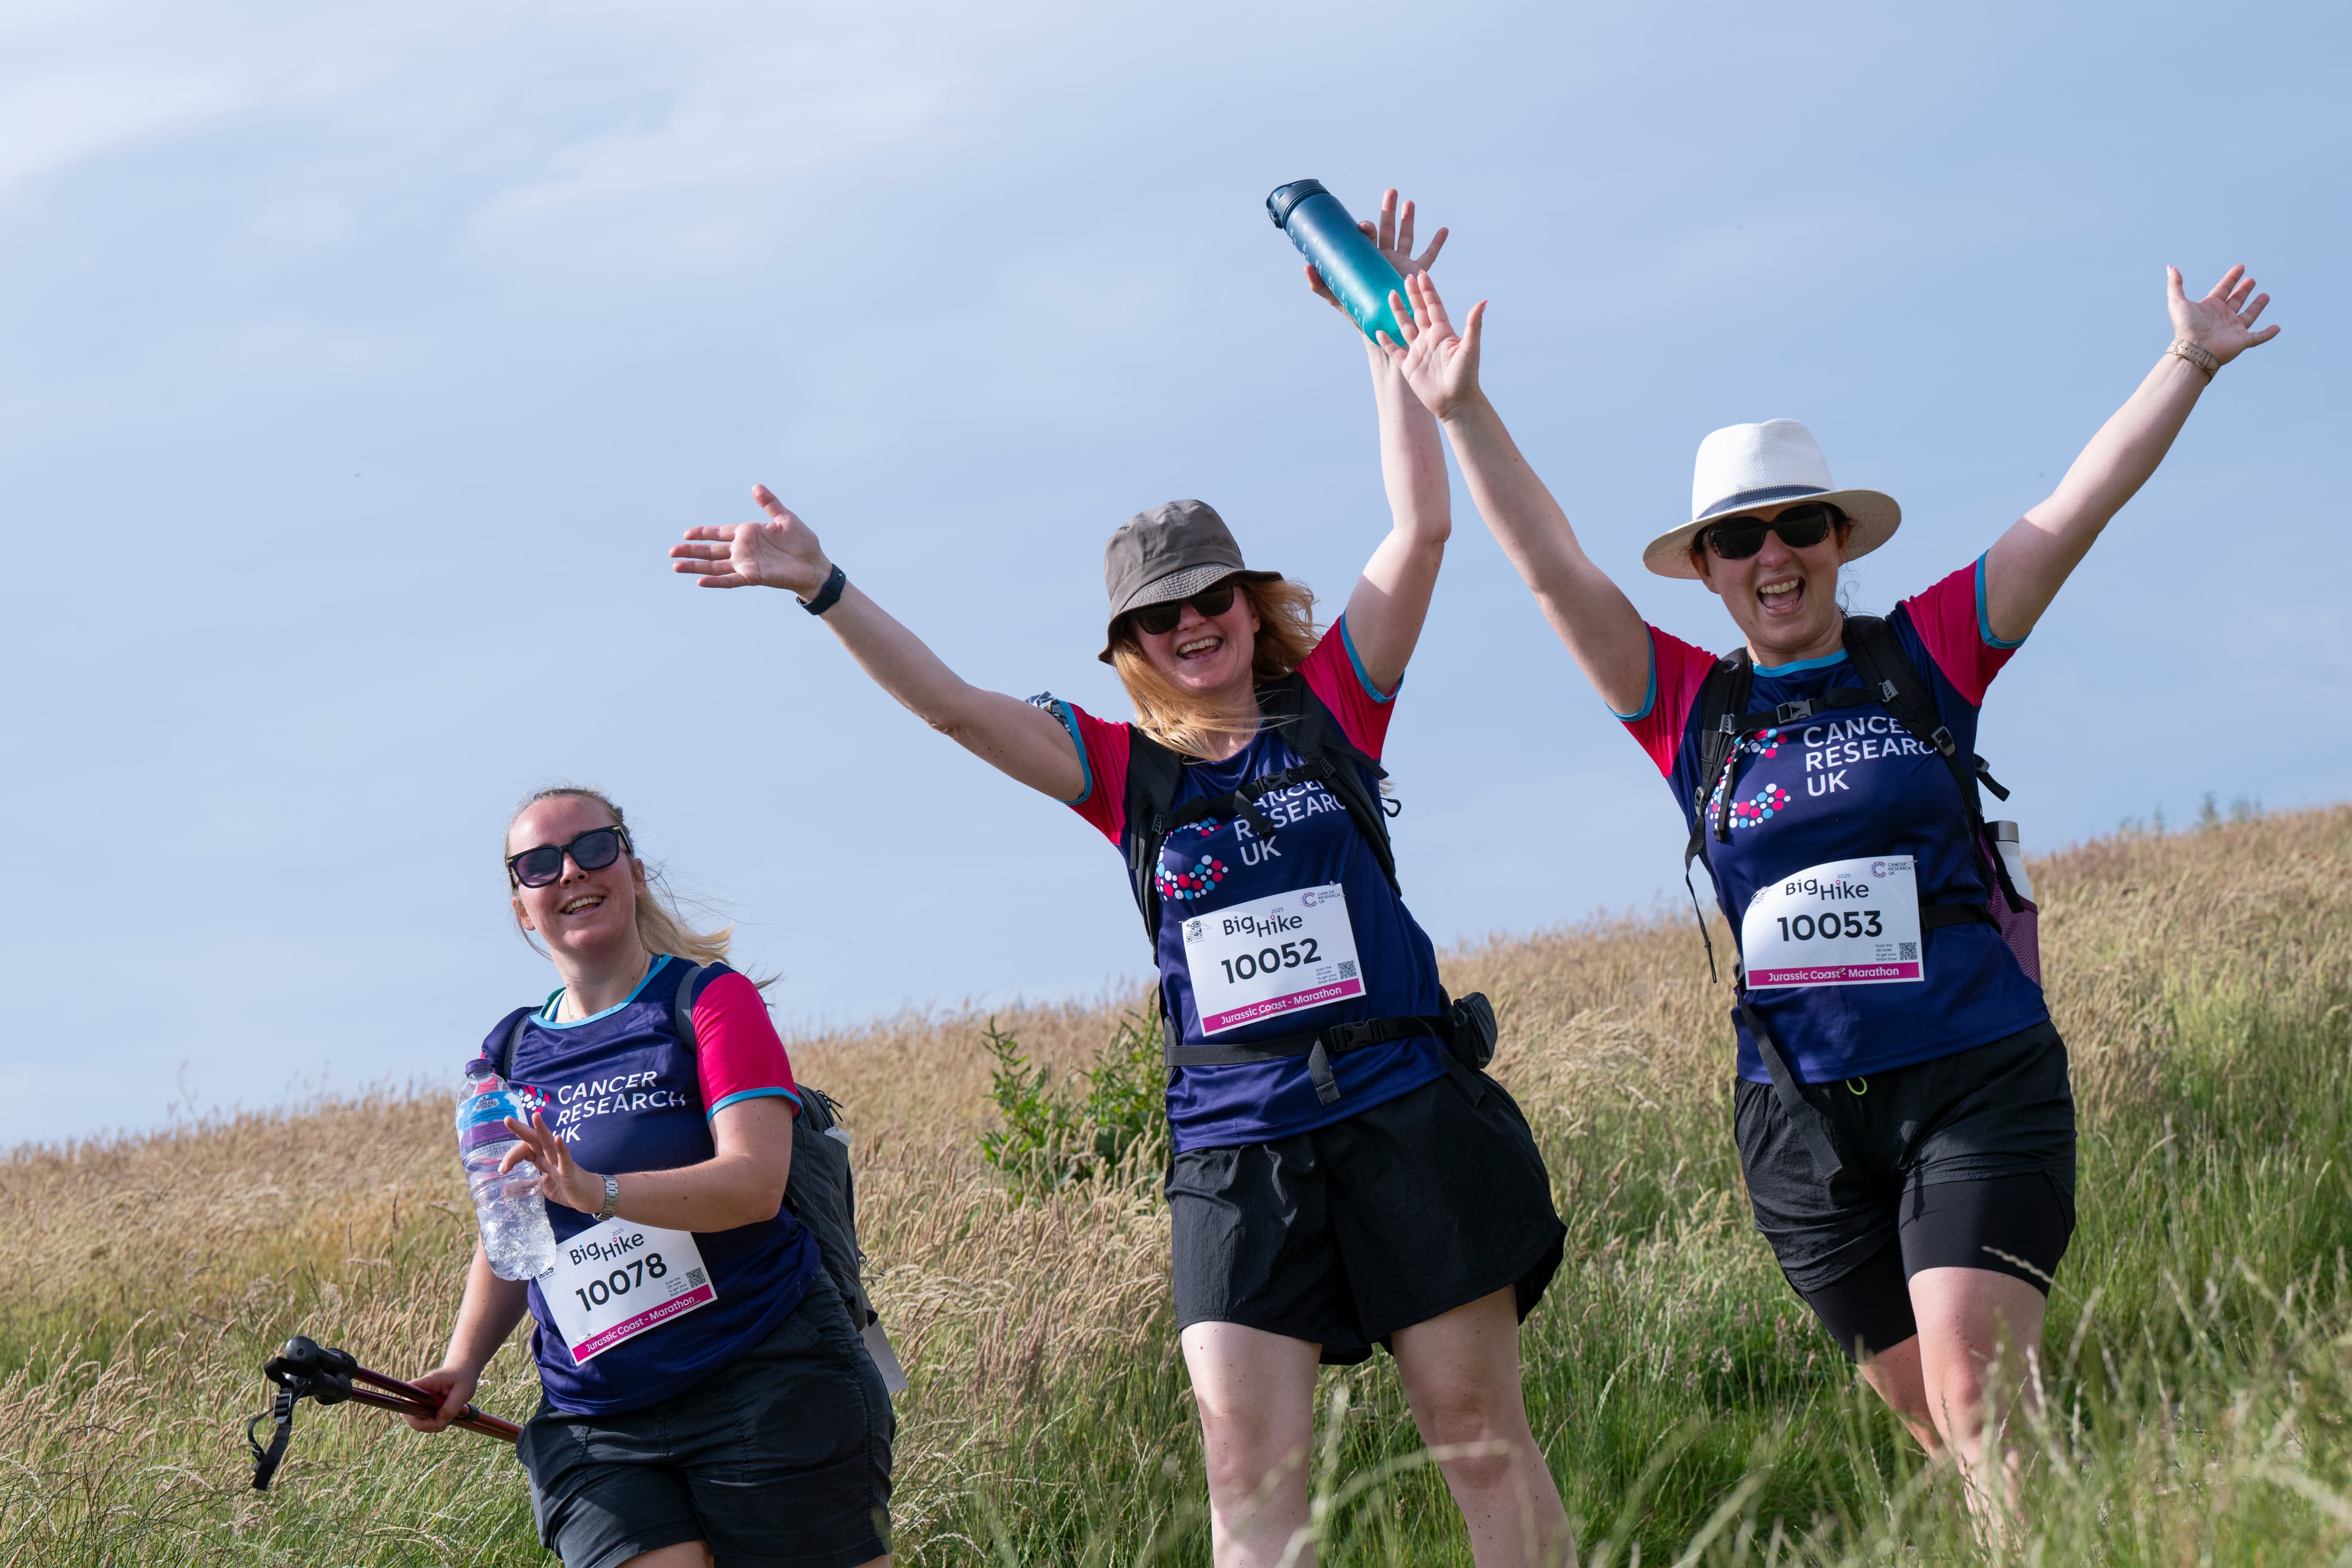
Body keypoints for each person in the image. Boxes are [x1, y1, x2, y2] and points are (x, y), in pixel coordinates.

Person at [671, 194, 1571, 1568]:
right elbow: (956, 709)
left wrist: (1383, 338)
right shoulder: (1116, 769)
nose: (1193, 623)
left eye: (1213, 597)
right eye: (1161, 614)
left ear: (1251, 605)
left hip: (1404, 1105)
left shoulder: (1334, 705)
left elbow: (1423, 527)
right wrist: (824, 586)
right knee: (1246, 1470)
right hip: (1235, 1147)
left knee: (1475, 1431)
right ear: (1127, 644)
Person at [1371, 260, 2278, 1520]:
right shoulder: (1689, 707)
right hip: (1799, 1126)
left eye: (1799, 525)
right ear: (1705, 569)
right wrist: (1463, 410)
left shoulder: (1927, 654)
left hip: (1974, 1077)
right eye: (1738, 538)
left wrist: (2186, 362)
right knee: (1950, 1433)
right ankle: (2117, 1523)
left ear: (1840, 541)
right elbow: (1550, 569)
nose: (1773, 554)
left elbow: (2073, 509)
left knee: (1977, 1395)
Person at [404, 786, 894, 1568]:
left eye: (594, 847)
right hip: (597, 1422)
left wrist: (598, 1192)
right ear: (522, 907)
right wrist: (462, 1364)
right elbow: (510, 1228)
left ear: (633, 871)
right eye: (539, 864)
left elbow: (754, 1183)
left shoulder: (708, 1001)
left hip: (766, 1377)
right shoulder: (508, 1054)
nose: (571, 871)